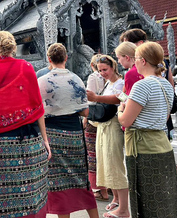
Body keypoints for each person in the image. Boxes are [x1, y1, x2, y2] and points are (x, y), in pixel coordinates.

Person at [0, 31, 51, 218]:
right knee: (33, 192)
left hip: (2, 144)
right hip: (30, 141)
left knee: (2, 193)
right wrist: (45, 140)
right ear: (14, 47)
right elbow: (38, 107)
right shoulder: (26, 67)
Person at [118, 42, 177, 217]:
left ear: (143, 61)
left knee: (145, 196)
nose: (135, 63)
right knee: (164, 196)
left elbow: (126, 120)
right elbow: (165, 116)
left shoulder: (142, 85)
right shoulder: (166, 84)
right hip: (162, 144)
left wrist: (120, 110)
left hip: (143, 148)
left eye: (136, 59)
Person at [38, 43, 99, 218]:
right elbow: (85, 111)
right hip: (74, 134)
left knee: (58, 183)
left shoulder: (42, 81)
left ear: (49, 59)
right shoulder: (77, 79)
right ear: (66, 58)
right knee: (81, 179)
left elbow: (38, 112)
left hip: (52, 134)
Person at [86, 55, 129, 218]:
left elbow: (120, 99)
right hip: (104, 125)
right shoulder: (109, 82)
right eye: (100, 70)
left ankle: (123, 206)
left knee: (115, 164)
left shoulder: (120, 82)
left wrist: (96, 98)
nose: (102, 73)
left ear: (113, 68)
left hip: (113, 125)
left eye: (105, 70)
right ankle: (117, 198)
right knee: (107, 164)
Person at [83, 54, 109, 201]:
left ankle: (98, 189)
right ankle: (109, 186)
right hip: (108, 117)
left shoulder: (93, 77)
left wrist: (85, 118)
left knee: (93, 154)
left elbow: (90, 100)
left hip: (95, 118)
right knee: (106, 152)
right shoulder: (112, 78)